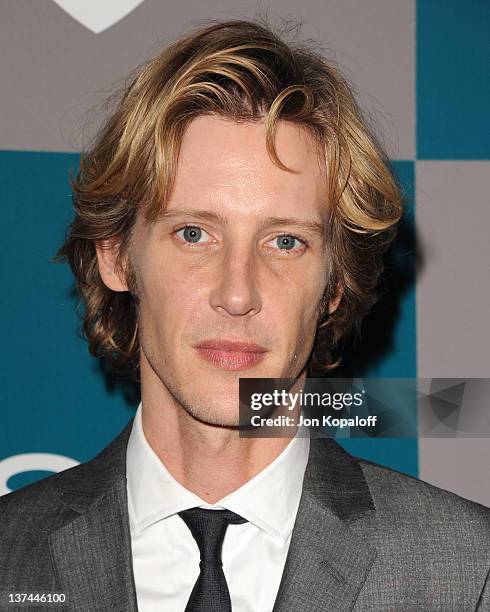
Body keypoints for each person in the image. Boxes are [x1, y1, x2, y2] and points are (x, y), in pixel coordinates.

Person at [1, 19, 488, 612]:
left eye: (285, 242)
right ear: (116, 256)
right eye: (193, 233)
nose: (237, 294)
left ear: (334, 284)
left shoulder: (466, 571)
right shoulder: (9, 555)